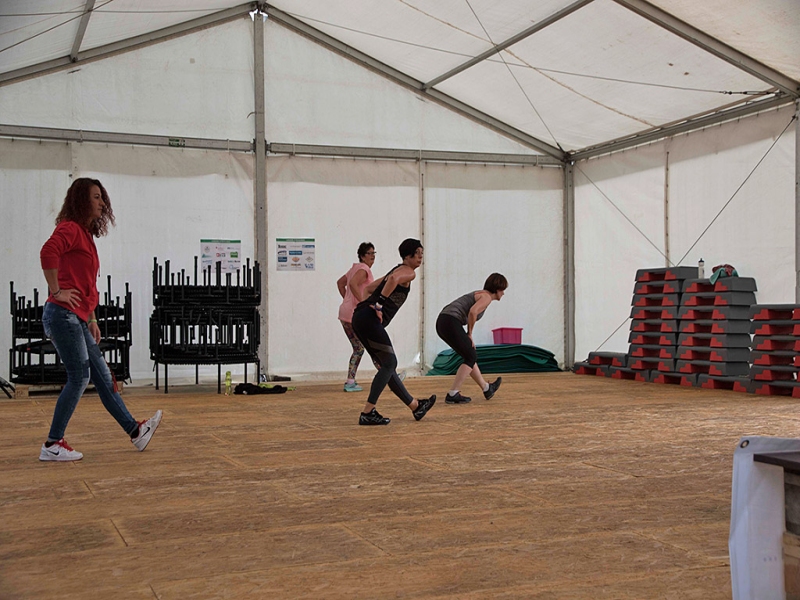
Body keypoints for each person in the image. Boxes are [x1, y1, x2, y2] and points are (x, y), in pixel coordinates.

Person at [38, 177, 162, 462]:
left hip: (77, 318)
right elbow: (48, 252)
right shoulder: (70, 228)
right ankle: (53, 443)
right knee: (80, 376)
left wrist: (92, 318)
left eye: (102, 197)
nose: (102, 203)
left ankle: (135, 431)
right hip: (62, 315)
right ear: (81, 200)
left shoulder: (85, 235)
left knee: (104, 378)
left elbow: (86, 285)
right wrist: (56, 291)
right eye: (96, 197)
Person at [351, 238, 436, 425]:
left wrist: (366, 307)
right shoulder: (408, 272)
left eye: (422, 254)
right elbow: (393, 280)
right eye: (417, 253)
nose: (420, 257)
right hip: (369, 319)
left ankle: (415, 406)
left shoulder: (396, 269)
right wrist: (378, 306)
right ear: (408, 255)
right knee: (390, 363)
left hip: (360, 318)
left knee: (386, 366)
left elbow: (369, 289)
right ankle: (367, 412)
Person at [436, 273, 508, 404]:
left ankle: (486, 388)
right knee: (471, 356)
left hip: (443, 322)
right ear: (497, 289)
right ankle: (453, 393)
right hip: (450, 321)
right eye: (503, 290)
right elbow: (473, 312)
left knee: (469, 355)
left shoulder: (481, 294)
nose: (503, 293)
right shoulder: (486, 297)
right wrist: (469, 333)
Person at [336, 243, 376, 392]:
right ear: (362, 256)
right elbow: (352, 284)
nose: (373, 256)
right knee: (372, 344)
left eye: (374, 253)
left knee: (359, 348)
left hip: (345, 314)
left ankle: (350, 381)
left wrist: (347, 300)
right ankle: (390, 376)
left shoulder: (354, 268)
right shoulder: (364, 269)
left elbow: (340, 284)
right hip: (354, 316)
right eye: (369, 253)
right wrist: (363, 303)